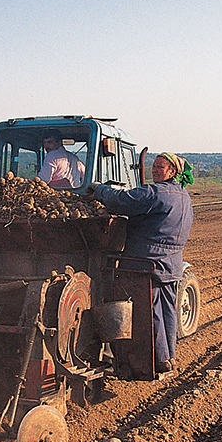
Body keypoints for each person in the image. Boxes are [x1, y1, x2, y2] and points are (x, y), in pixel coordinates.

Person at [89, 152, 194, 375]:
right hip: (171, 264)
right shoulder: (183, 195)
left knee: (149, 312)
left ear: (172, 171)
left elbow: (122, 201)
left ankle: (152, 362)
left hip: (146, 264)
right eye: (153, 166)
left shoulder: (156, 193)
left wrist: (99, 189)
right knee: (168, 311)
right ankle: (167, 356)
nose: (154, 170)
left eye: (160, 167)